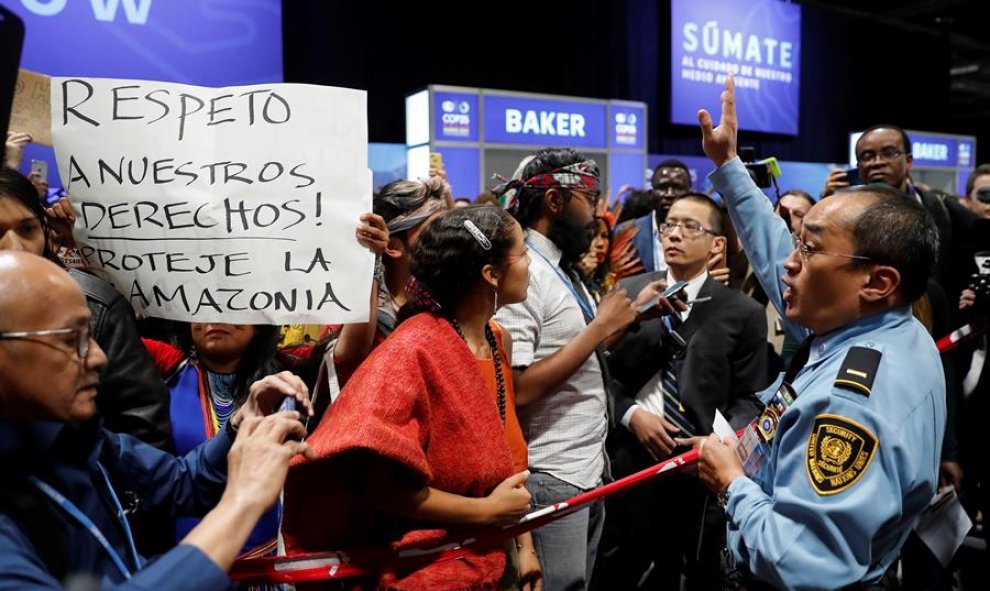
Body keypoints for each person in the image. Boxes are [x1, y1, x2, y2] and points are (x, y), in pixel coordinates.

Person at [696, 74, 945, 590]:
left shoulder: (851, 403)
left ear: (877, 281)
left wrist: (732, 484)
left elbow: (804, 562)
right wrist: (729, 167)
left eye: (809, 249)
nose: (790, 264)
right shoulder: (879, 324)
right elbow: (773, 257)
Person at [0, 251, 313, 590]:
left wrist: (239, 424)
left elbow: (182, 482)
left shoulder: (83, 441)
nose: (99, 356)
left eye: (90, 335)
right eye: (70, 339)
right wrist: (243, 501)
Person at [282, 206, 540, 591]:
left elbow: (508, 458)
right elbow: (378, 488)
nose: (531, 262)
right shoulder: (412, 349)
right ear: (491, 275)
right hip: (423, 573)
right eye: (522, 252)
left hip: (490, 559)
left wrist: (524, 545)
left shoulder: (496, 337)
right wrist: (486, 512)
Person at [493, 148, 648, 591]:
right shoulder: (525, 272)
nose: (599, 215)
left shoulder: (559, 268)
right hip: (549, 474)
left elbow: (569, 352)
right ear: (556, 203)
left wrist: (626, 322)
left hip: (583, 470)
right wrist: (599, 328)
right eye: (590, 199)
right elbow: (515, 388)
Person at [599, 193, 768, 590]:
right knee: (623, 566)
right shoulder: (628, 292)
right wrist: (631, 414)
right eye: (669, 224)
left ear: (716, 244)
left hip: (701, 464)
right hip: (630, 455)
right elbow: (599, 372)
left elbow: (750, 396)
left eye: (690, 227)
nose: (674, 233)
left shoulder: (742, 311)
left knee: (697, 568)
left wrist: (719, 442)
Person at [0, 167, 172, 450]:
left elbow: (143, 428)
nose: (15, 246)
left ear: (44, 228)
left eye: (27, 229)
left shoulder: (98, 305)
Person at [143, 322, 284, 552]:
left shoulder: (286, 370)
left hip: (265, 565)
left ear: (259, 321)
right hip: (186, 564)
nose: (215, 318)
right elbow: (96, 332)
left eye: (232, 305)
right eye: (204, 305)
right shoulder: (168, 363)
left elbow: (347, 353)